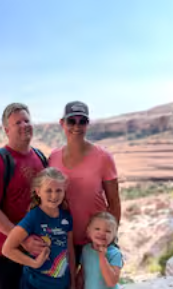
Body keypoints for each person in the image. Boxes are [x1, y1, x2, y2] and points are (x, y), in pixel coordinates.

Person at [0, 103, 47, 289]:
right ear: (7, 130)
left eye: (27, 120)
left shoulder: (40, 158)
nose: (25, 125)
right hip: (4, 254)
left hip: (35, 251)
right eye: (18, 122)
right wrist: (22, 238)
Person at [49, 100, 121, 257]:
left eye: (82, 121)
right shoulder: (53, 158)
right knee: (68, 282)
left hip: (95, 241)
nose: (77, 126)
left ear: (87, 124)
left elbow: (114, 203)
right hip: (63, 239)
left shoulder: (103, 157)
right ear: (62, 123)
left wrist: (109, 239)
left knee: (94, 282)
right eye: (71, 121)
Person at [2, 167, 76, 289]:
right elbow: (7, 249)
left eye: (58, 190)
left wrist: (73, 286)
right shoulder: (33, 218)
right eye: (49, 190)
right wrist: (34, 263)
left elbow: (70, 252)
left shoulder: (67, 218)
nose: (54, 196)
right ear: (38, 192)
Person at [76, 212, 123, 289]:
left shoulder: (115, 254)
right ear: (88, 231)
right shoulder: (86, 250)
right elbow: (82, 275)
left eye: (108, 231)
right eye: (97, 229)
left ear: (114, 235)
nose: (102, 233)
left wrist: (102, 257)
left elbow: (111, 282)